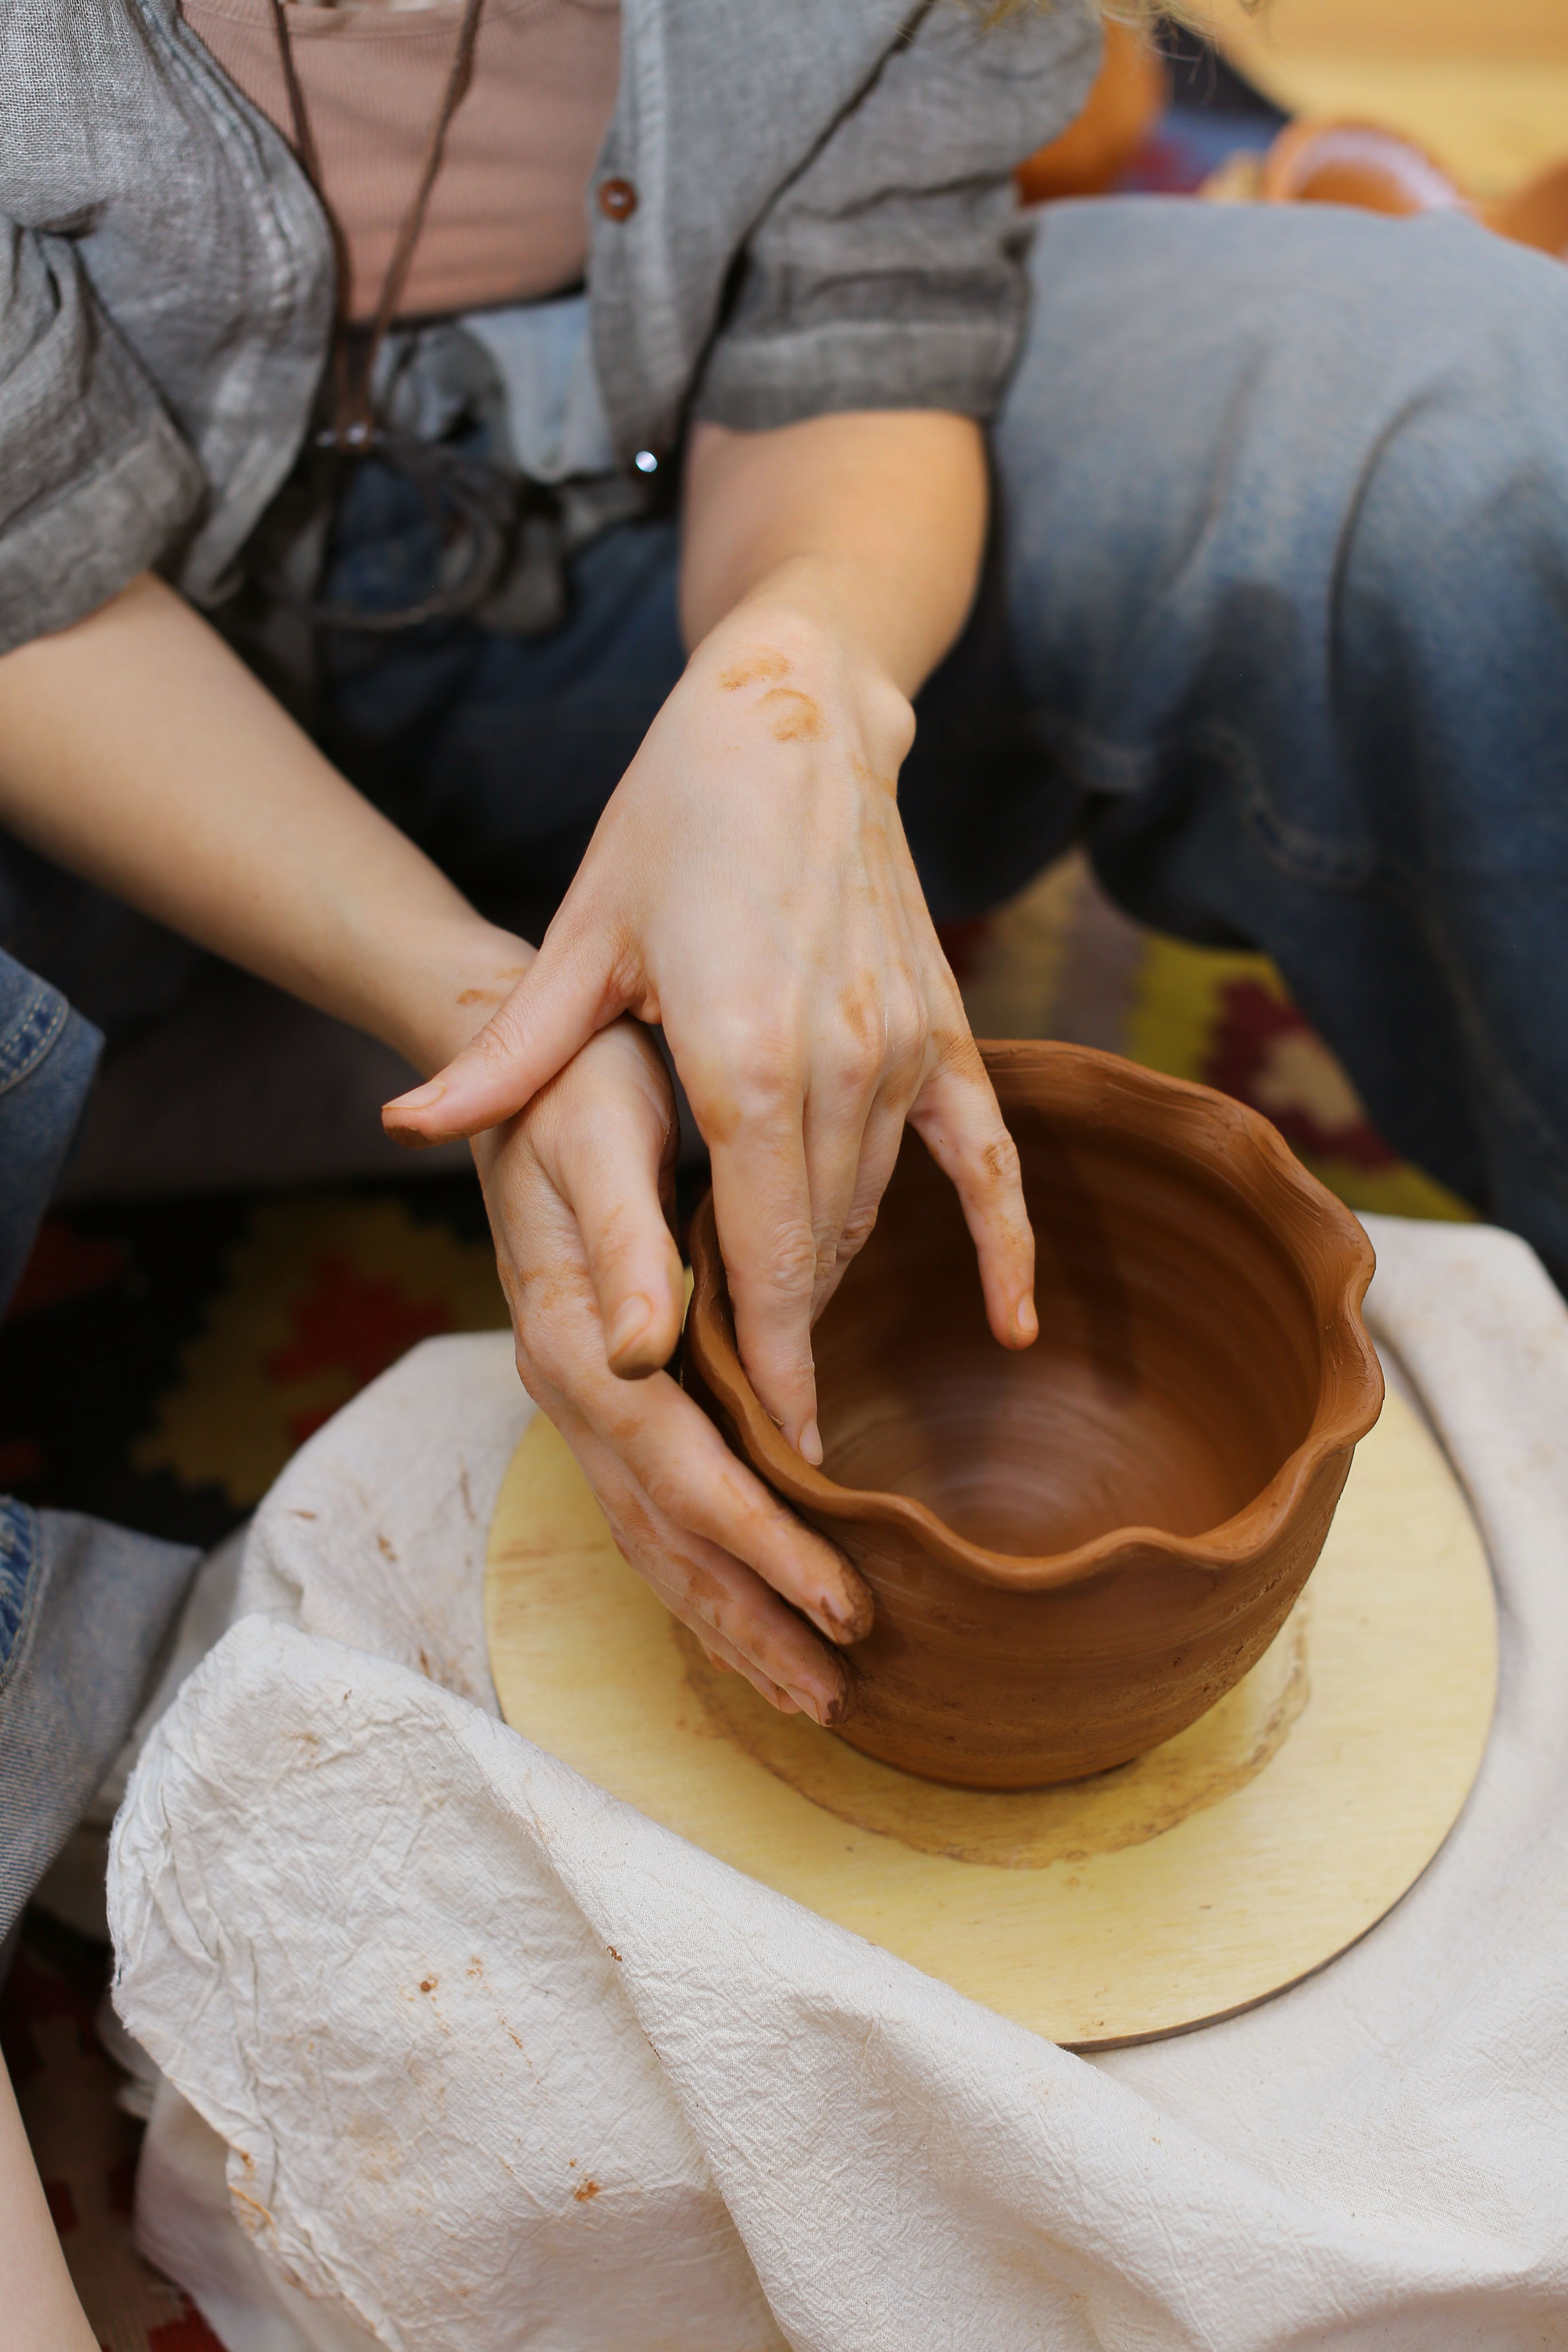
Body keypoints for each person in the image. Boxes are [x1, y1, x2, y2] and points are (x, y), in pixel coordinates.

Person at [2, 0, 1567, 2331]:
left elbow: (863, 325)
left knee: (1474, 445)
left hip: (678, 679)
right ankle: (116, 1698)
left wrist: (803, 702)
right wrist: (486, 1022)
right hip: (93, 807)